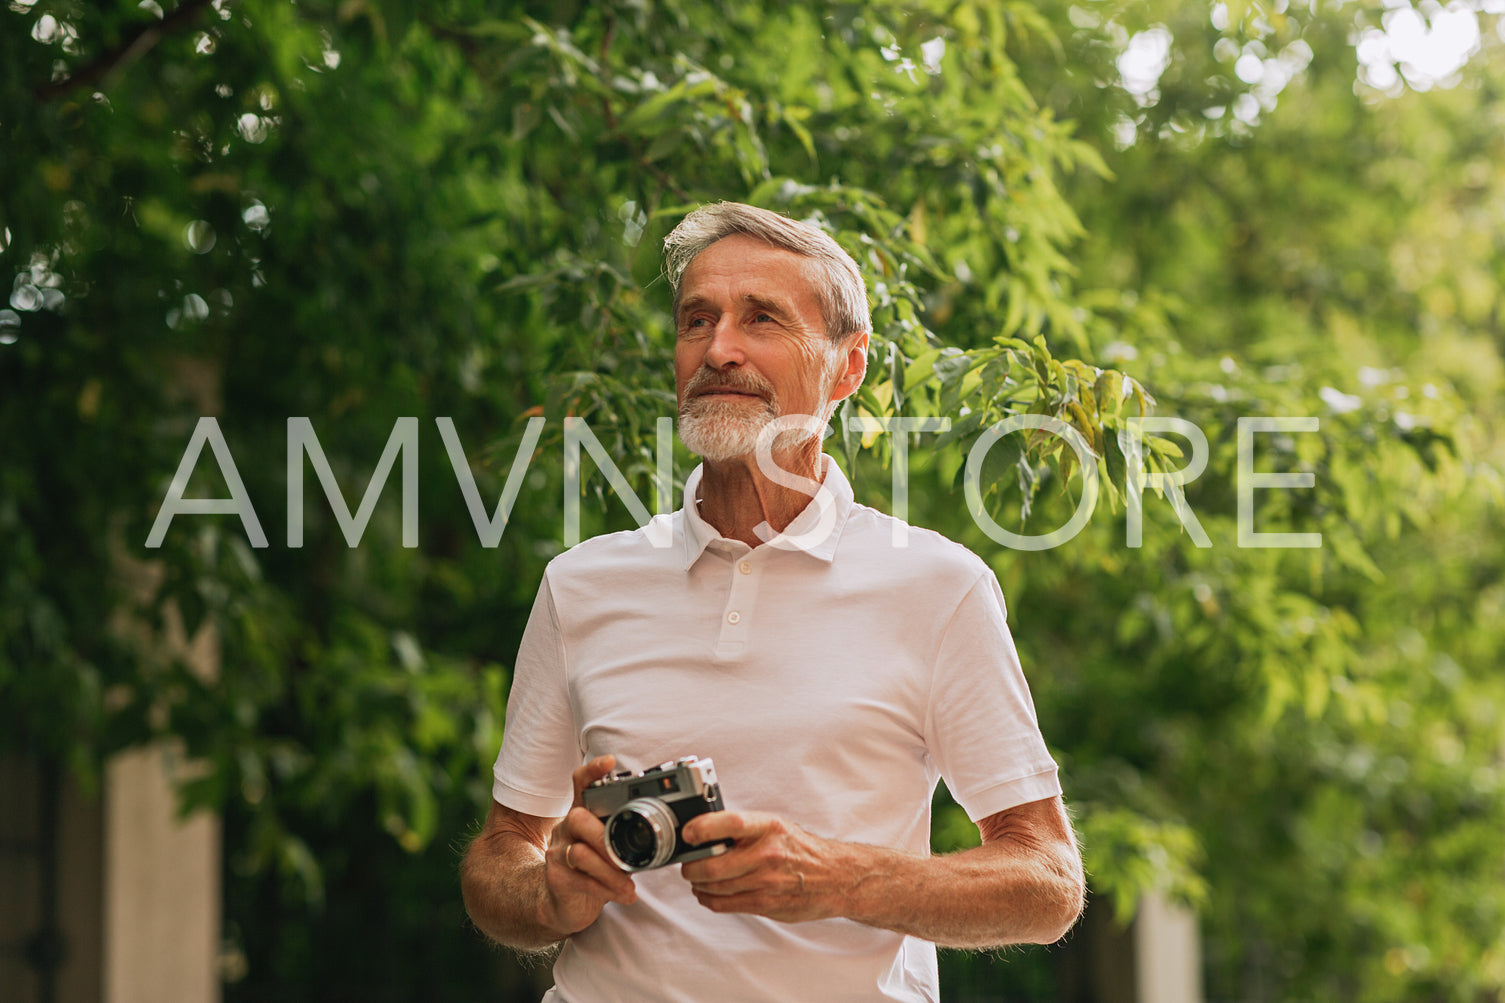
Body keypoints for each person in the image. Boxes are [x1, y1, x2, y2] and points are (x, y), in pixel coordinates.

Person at [460, 202, 1084, 1001]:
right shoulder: (582, 584)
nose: (719, 349)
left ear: (847, 367)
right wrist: (546, 893)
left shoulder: (937, 586)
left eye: (761, 319)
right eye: (697, 319)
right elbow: (501, 849)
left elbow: (1045, 878)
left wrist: (840, 879)